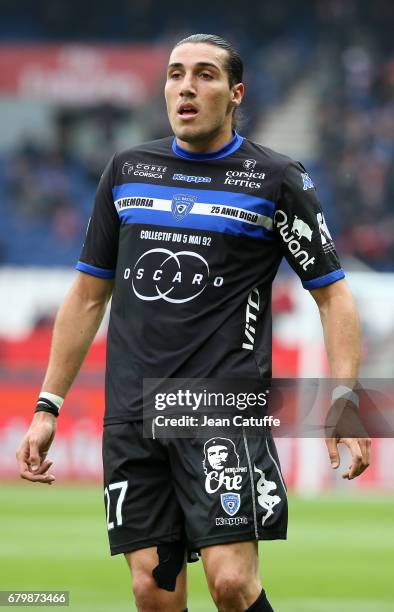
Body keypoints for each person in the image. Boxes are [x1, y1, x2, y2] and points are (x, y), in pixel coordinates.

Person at [16, 34, 371, 612]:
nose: (186, 86)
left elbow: (334, 295)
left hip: (220, 410)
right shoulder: (127, 170)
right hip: (133, 412)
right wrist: (47, 406)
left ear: (236, 94)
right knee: (153, 592)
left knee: (230, 582)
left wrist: (346, 397)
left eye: (205, 75)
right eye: (176, 73)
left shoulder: (276, 179)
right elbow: (86, 296)